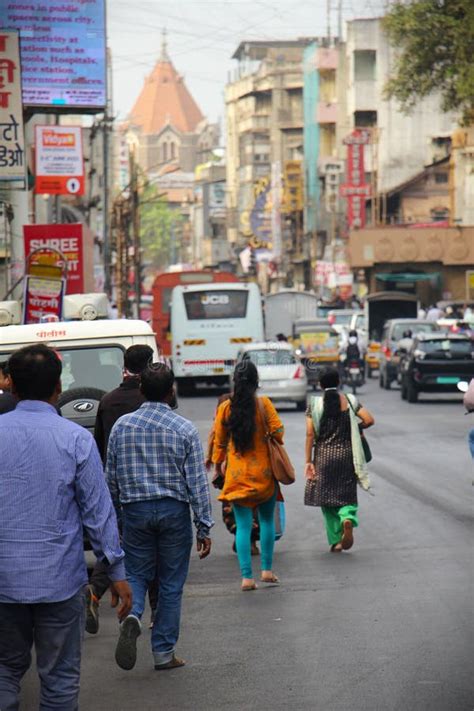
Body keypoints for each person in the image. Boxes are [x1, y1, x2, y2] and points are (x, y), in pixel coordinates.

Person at [0, 345, 131, 710]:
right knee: (59, 680)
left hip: (3, 582)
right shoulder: (75, 439)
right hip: (59, 581)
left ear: (11, 386)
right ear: (58, 387)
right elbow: (99, 512)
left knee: (5, 671)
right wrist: (117, 571)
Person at [106, 363, 213, 672]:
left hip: (135, 511)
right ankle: (164, 653)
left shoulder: (122, 427)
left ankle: (133, 614)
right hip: (173, 512)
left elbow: (110, 478)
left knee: (137, 573)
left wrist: (115, 519)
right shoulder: (184, 428)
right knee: (170, 582)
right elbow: (196, 482)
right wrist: (203, 525)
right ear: (171, 392)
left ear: (141, 390)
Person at [86, 344, 154, 635]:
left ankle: (94, 593)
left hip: (116, 482)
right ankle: (148, 614)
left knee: (114, 541)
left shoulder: (108, 400)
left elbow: (100, 446)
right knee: (153, 548)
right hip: (150, 484)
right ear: (150, 365)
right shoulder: (152, 399)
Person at [212, 360, 284, 591]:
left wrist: (217, 465)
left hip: (237, 476)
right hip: (264, 475)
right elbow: (279, 432)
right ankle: (267, 570)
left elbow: (219, 442)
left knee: (243, 526)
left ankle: (246, 578)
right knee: (265, 522)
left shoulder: (226, 409)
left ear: (235, 381)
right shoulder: (263, 405)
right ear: (256, 382)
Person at [304, 367, 374, 552]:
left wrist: (308, 460)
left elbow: (310, 434)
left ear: (320, 384)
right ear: (339, 382)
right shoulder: (350, 400)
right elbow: (369, 420)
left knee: (326, 499)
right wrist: (356, 428)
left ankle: (336, 541)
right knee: (346, 494)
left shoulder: (314, 404)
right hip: (347, 456)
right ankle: (347, 517)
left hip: (323, 457)